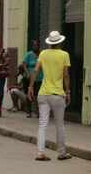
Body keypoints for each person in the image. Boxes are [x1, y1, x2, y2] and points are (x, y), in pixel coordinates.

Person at [28, 30, 72, 161]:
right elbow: (65, 75)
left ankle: (40, 153)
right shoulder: (64, 55)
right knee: (60, 124)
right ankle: (62, 152)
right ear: (60, 42)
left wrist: (30, 87)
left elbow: (35, 71)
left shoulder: (43, 53)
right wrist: (68, 91)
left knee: (42, 124)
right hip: (58, 94)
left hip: (43, 93)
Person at [22, 40, 42, 115]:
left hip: (39, 77)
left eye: (37, 45)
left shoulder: (41, 54)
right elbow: (24, 64)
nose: (35, 47)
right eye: (34, 45)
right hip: (29, 77)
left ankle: (38, 111)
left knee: (38, 95)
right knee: (29, 94)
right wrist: (27, 73)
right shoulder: (29, 54)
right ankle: (29, 111)